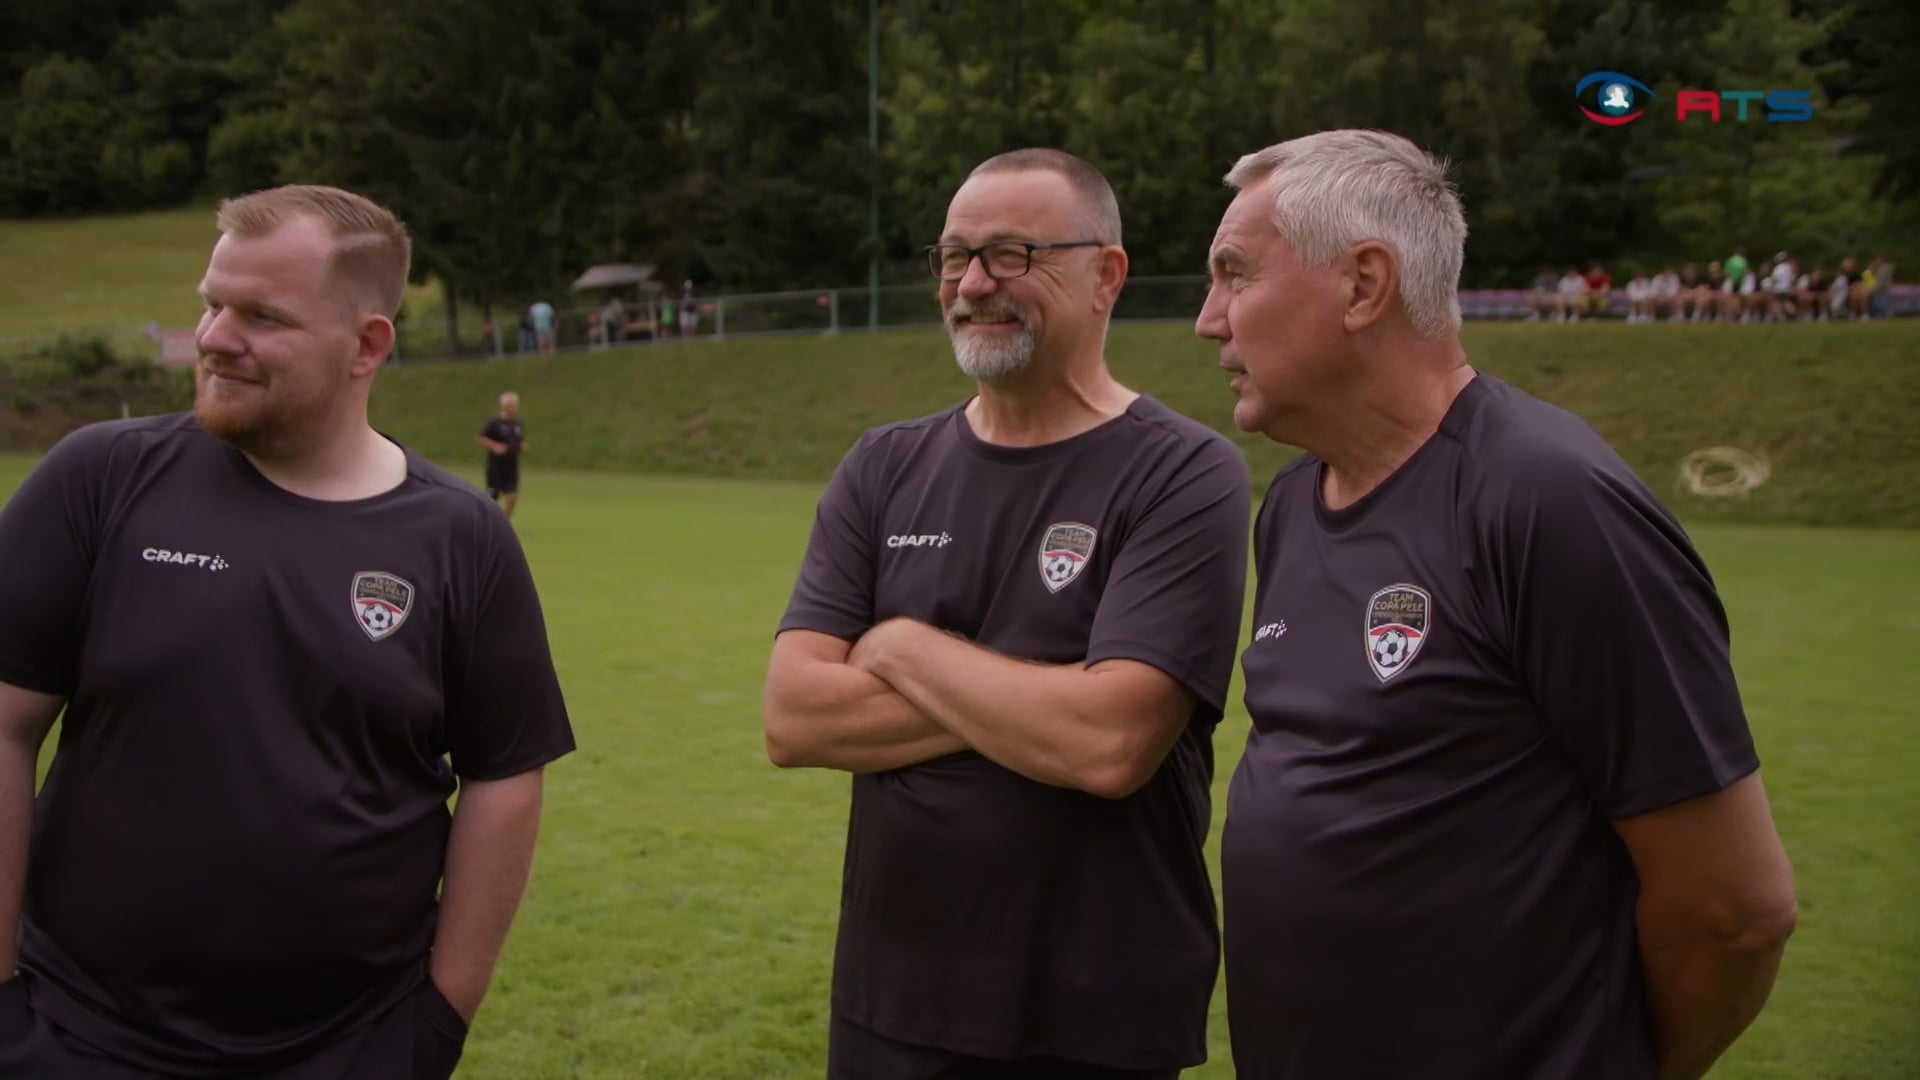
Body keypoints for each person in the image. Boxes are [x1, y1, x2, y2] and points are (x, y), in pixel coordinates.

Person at [1195, 130, 1797, 1080]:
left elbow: (1734, 910)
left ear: (1363, 285)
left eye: (1234, 276)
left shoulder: (1549, 501)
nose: (1208, 319)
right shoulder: (1295, 507)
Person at [0, 184, 576, 1079]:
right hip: (78, 1037)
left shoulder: (463, 540)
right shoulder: (99, 483)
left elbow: (504, 778)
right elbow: (3, 726)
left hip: (349, 1049)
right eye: (211, 303)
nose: (215, 337)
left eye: (261, 315)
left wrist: (435, 1023)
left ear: (367, 344)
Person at [763, 148, 1251, 1079]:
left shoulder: (1184, 474)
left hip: (1094, 1011)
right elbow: (794, 717)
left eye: (1013, 254)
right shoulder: (882, 467)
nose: (974, 284)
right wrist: (1047, 691)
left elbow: (1108, 746)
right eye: (954, 256)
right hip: (893, 1001)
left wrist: (900, 644)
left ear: (1107, 275)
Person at [477, 391, 527, 518]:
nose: (516, 408)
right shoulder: (494, 423)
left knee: (513, 496)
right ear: (505, 406)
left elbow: (518, 440)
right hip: (496, 467)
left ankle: (504, 523)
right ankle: (485, 520)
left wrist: (521, 445)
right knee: (491, 498)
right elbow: (480, 438)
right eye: (513, 405)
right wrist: (495, 446)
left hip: (512, 467)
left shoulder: (517, 424)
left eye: (517, 405)